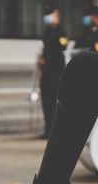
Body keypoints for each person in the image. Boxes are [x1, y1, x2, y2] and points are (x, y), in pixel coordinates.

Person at [39, 1, 68, 139]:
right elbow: (44, 49)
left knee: (55, 101)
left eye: (51, 14)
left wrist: (56, 25)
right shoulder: (46, 31)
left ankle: (54, 131)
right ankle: (47, 129)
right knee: (46, 101)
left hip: (56, 71)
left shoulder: (60, 31)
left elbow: (63, 46)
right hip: (46, 72)